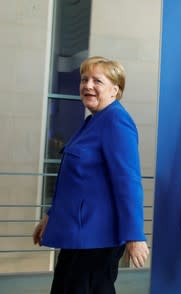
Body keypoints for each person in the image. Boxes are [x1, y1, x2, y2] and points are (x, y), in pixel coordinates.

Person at [32, 56, 149, 294]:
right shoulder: (92, 121)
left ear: (115, 90)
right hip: (80, 235)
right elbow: (74, 184)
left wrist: (135, 235)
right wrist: (50, 216)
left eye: (98, 81)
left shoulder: (117, 122)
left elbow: (128, 183)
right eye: (84, 79)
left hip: (99, 237)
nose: (88, 85)